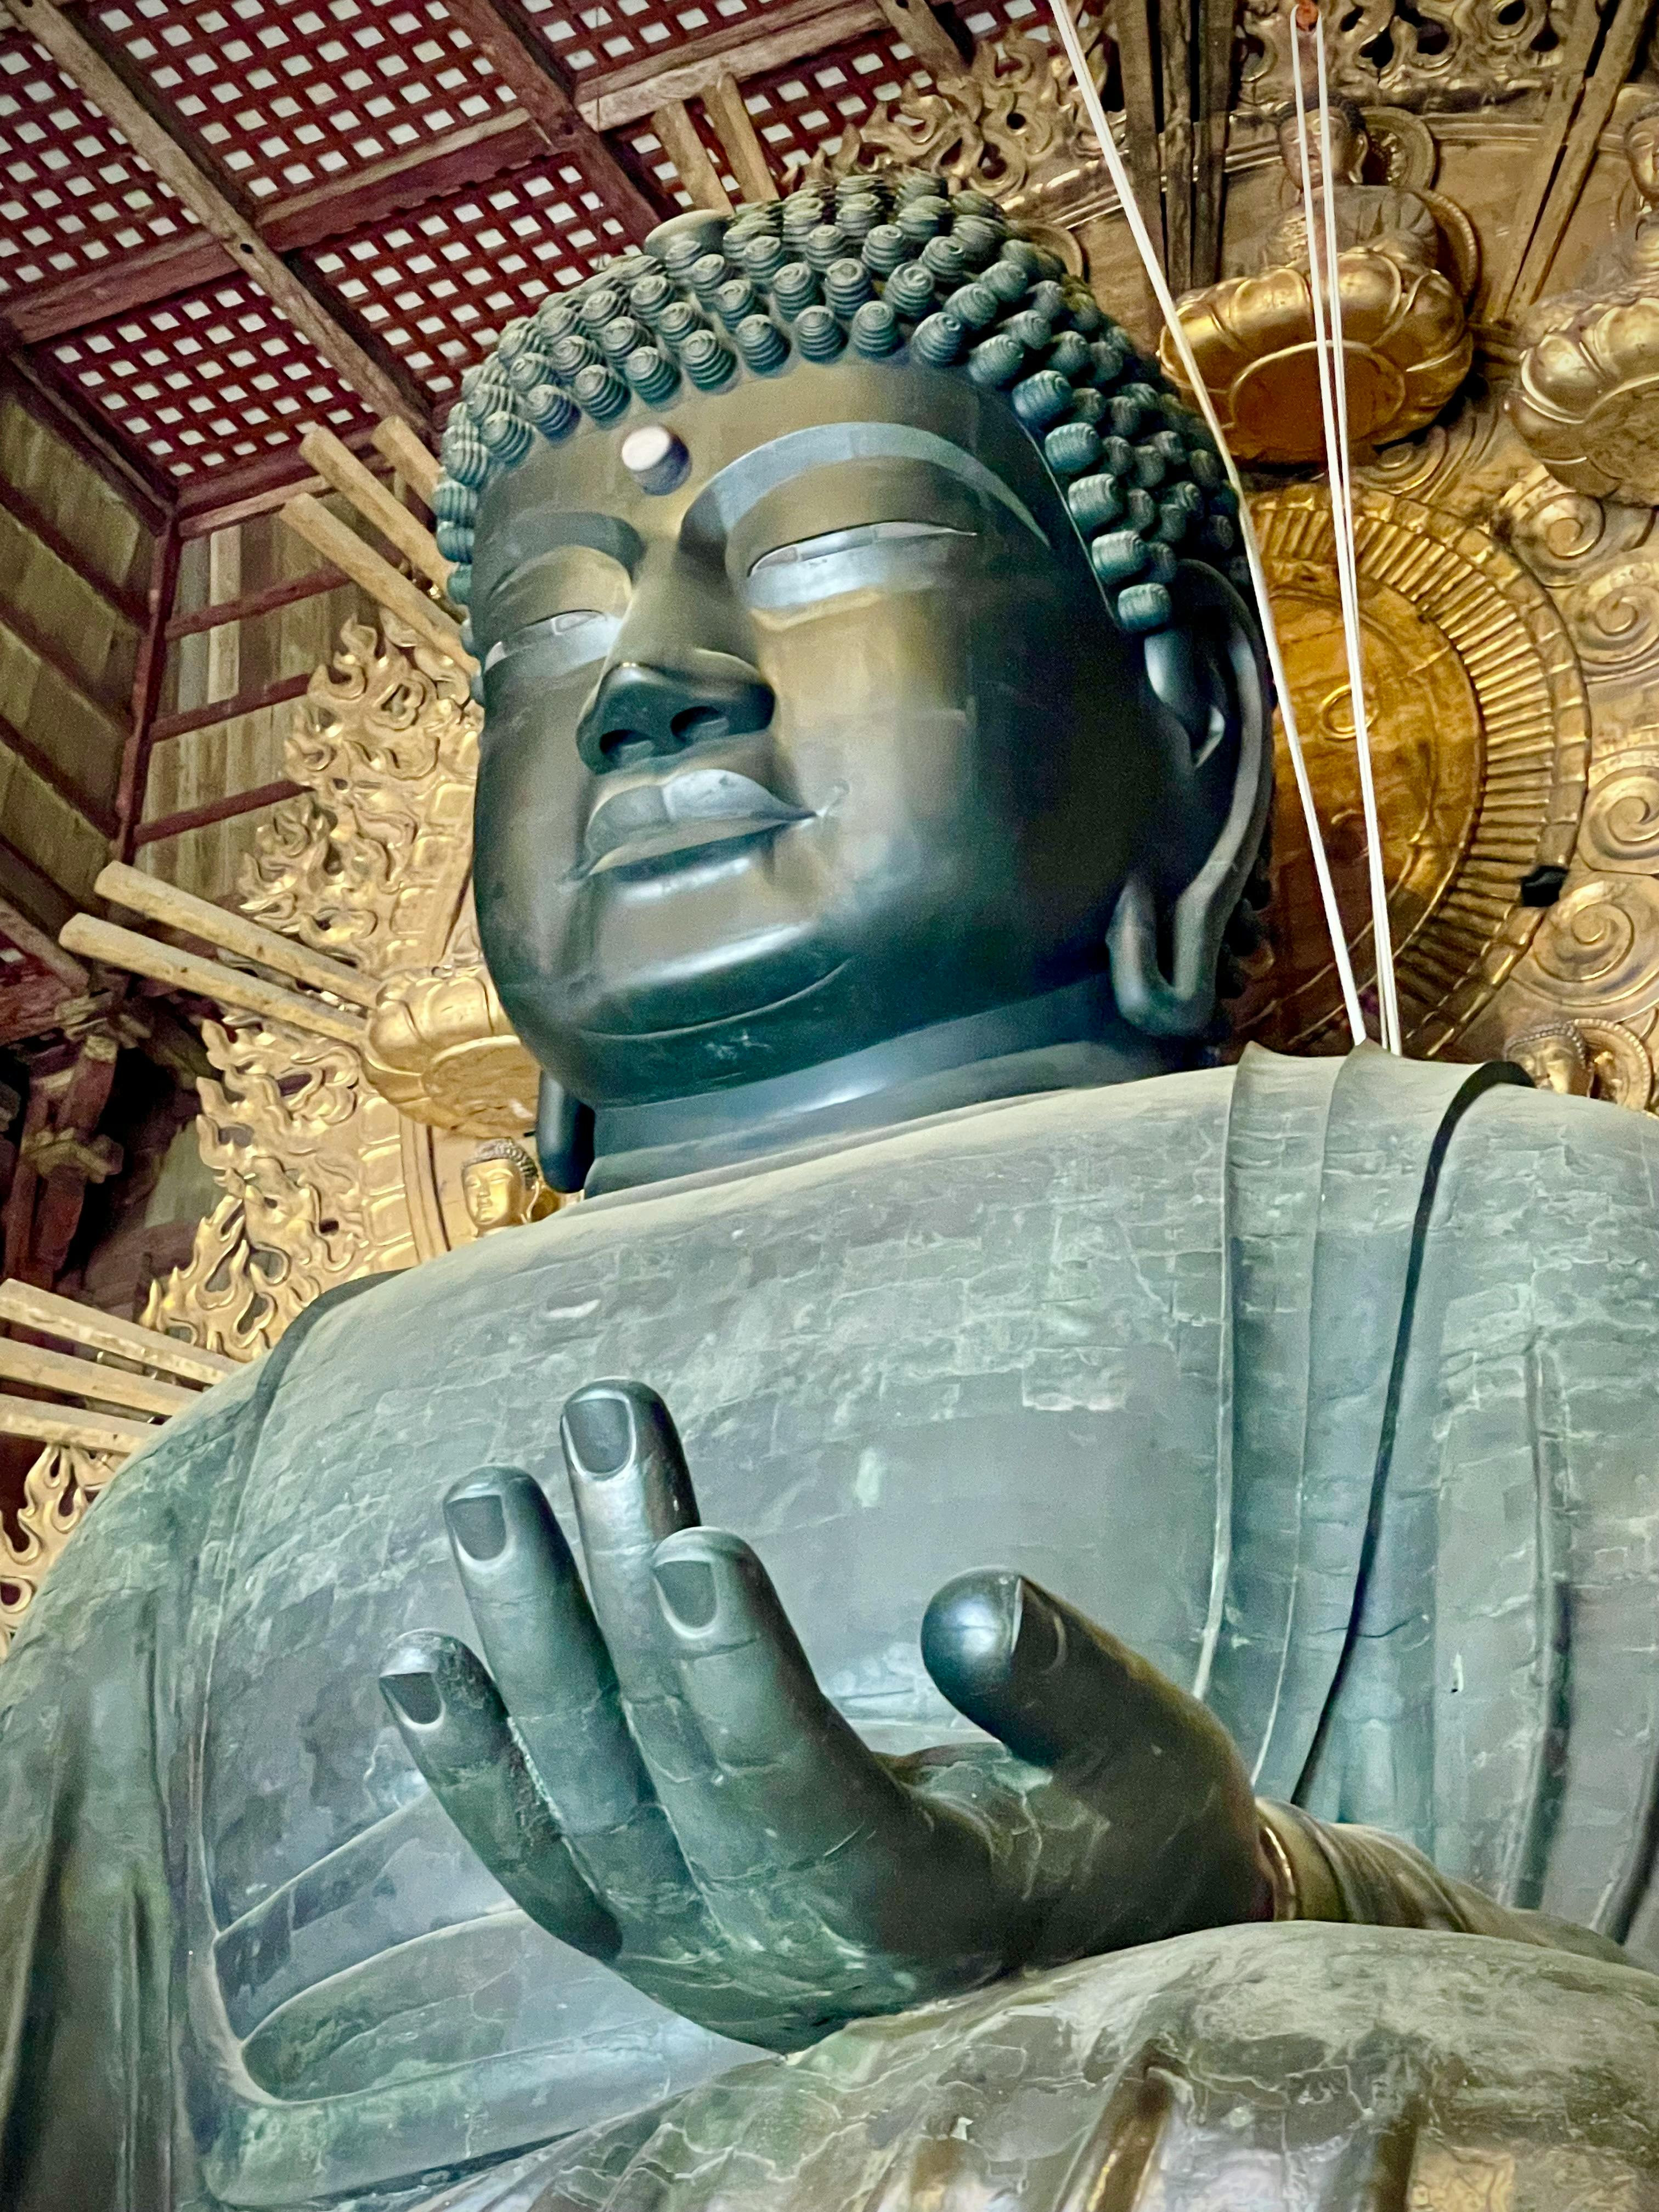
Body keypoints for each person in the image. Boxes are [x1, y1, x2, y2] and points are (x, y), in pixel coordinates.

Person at [1, 173, 1656, 2212]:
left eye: (834, 550)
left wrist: (1271, 1892)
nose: (651, 686)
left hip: (1157, 2145)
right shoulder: (211, 1497)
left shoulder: (1516, 1233)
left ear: (1195, 729)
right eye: (550, 638)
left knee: (1290, 2087)